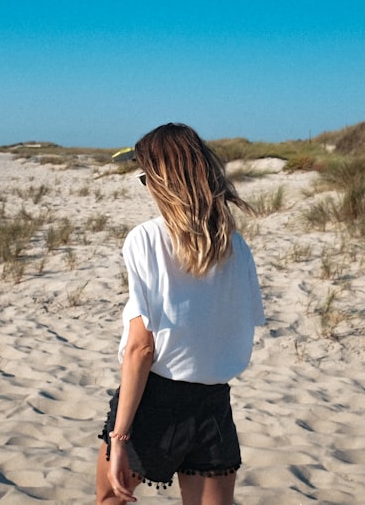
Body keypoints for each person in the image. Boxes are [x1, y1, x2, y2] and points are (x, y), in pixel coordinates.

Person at [95, 123, 265, 505]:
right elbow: (234, 327)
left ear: (164, 181)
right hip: (213, 405)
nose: (147, 188)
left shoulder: (147, 238)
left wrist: (120, 437)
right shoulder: (235, 244)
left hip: (154, 401)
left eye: (146, 178)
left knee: (111, 500)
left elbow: (141, 347)